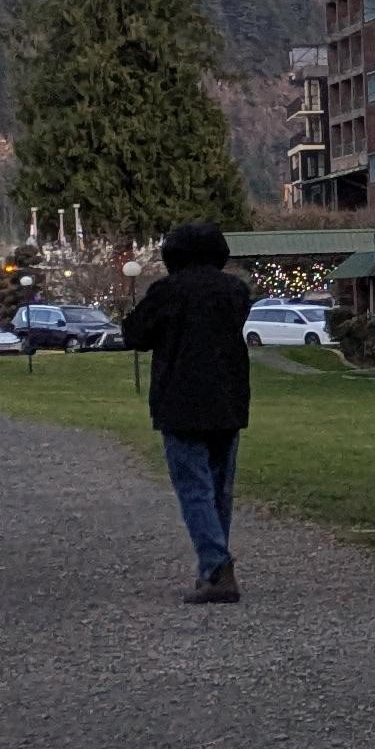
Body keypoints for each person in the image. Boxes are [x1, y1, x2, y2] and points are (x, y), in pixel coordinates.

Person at [121, 221, 256, 602]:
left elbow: (135, 335)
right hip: (228, 399)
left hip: (179, 400)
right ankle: (213, 568)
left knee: (193, 487)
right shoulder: (235, 291)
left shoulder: (168, 292)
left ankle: (216, 566)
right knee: (218, 489)